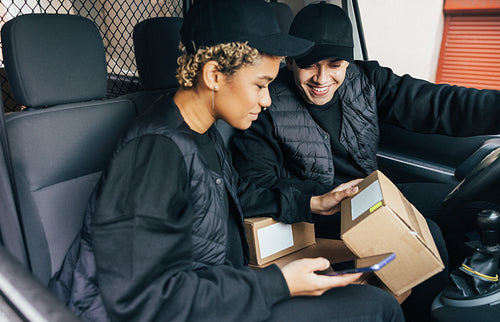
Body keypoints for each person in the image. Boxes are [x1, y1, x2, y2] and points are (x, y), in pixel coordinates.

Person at [49, 0, 405, 321]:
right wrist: (277, 284)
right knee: (379, 308)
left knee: (371, 299)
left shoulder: (201, 130)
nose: (267, 100)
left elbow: (234, 196)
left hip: (219, 293)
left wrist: (311, 201)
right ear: (214, 75)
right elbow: (140, 300)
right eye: (260, 84)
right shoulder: (154, 153)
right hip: (180, 307)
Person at [230, 2, 499, 321]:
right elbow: (259, 183)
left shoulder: (367, 80)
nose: (321, 78)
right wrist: (315, 199)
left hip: (373, 192)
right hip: (319, 212)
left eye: (335, 64)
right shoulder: (264, 106)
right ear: (290, 61)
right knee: (429, 236)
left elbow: (439, 104)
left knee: (471, 205)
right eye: (309, 65)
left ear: (349, 61)